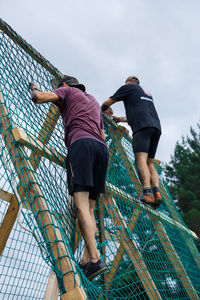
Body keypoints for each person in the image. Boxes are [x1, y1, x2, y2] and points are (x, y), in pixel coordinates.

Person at [30, 75, 109, 280]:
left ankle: (93, 260)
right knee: (90, 209)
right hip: (102, 150)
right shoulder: (92, 99)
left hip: (81, 145)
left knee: (80, 206)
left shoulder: (66, 91)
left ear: (64, 85)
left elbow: (38, 98)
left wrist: (34, 87)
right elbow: (102, 133)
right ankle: (87, 259)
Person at [101, 76, 162, 209]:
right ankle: (157, 192)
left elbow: (109, 102)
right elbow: (137, 114)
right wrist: (119, 119)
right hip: (156, 128)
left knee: (140, 159)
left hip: (142, 128)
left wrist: (99, 110)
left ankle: (147, 192)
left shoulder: (127, 88)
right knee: (150, 163)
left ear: (128, 83)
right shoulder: (146, 93)